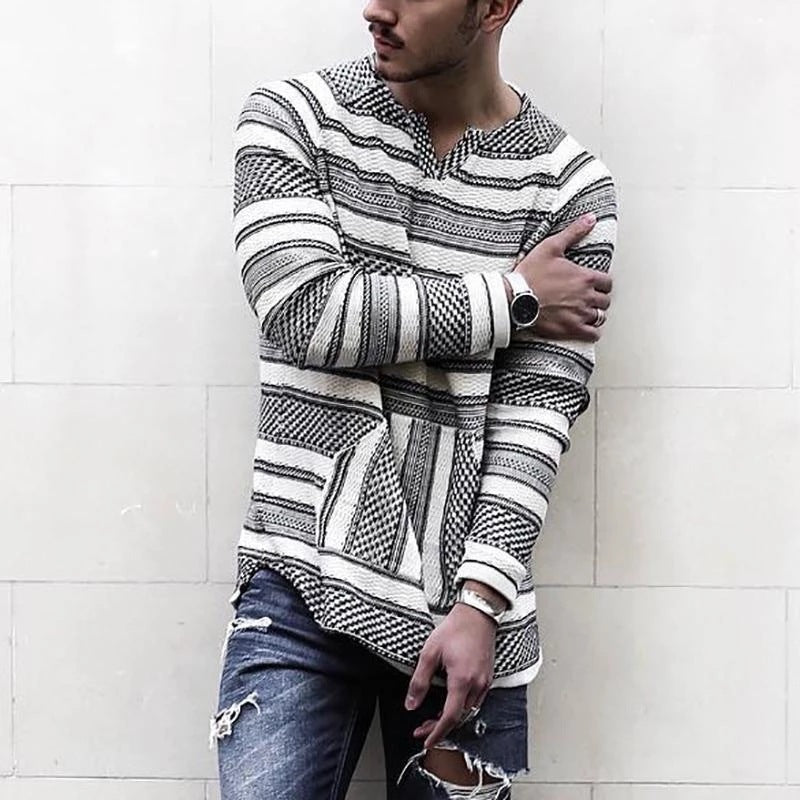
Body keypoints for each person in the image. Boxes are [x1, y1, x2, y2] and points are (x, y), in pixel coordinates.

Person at [209, 0, 617, 797]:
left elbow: (536, 416)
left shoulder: (568, 186)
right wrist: (514, 297)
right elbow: (306, 312)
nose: (376, 8)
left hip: (466, 614)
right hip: (300, 582)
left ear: (494, 7)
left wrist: (481, 601)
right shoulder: (295, 118)